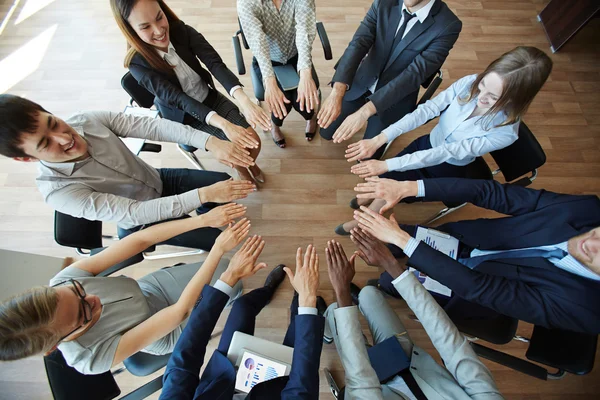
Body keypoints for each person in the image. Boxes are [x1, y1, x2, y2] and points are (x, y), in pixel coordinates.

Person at [335, 46, 553, 235]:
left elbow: (448, 152)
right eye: (484, 84)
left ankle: (361, 221)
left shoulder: (505, 133)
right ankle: (366, 202)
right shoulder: (470, 83)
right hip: (427, 143)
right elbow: (427, 110)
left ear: (516, 99)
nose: (480, 95)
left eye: (493, 97)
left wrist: (386, 163)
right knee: (387, 175)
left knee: (393, 184)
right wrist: (381, 138)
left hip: (447, 169)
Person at [0, 210, 251, 374]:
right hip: (166, 329)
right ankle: (230, 298)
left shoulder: (62, 280)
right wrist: (217, 249)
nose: (93, 297)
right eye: (85, 313)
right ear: (53, 347)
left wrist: (201, 221)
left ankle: (229, 296)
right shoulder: (89, 358)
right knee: (230, 282)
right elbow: (178, 313)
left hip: (150, 291)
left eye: (76, 290)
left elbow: (138, 241)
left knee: (226, 272)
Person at [0, 94, 257, 251]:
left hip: (157, 179)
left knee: (223, 183)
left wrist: (211, 142)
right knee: (215, 239)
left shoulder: (86, 120)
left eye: (54, 123)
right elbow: (135, 212)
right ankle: (206, 215)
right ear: (25, 158)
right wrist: (202, 195)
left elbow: (152, 127)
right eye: (46, 144)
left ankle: (207, 210)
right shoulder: (59, 192)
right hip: (144, 219)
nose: (65, 137)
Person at [352, 177, 600, 334]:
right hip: (466, 238)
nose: (592, 242)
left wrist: (401, 242)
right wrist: (409, 187)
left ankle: (389, 287)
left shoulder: (587, 310)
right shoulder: (586, 210)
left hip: (469, 292)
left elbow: (479, 288)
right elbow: (488, 192)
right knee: (388, 237)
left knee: (390, 279)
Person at [323, 239, 503, 399]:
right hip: (407, 361)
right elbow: (452, 346)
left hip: (372, 385)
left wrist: (342, 291)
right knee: (369, 294)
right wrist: (392, 265)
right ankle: (345, 310)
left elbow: (362, 382)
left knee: (334, 311)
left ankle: (327, 331)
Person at [111, 0, 269, 183]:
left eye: (159, 17)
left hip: (209, 97)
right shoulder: (137, 64)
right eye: (146, 27)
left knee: (253, 141)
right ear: (131, 31)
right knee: (232, 149)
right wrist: (225, 125)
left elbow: (214, 64)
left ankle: (249, 165)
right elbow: (179, 99)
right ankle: (244, 170)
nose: (159, 30)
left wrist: (244, 101)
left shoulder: (180, 30)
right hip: (185, 117)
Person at [159, 245, 325, 400]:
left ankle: (267, 291)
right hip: (278, 391)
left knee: (242, 306)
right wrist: (307, 303)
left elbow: (182, 363)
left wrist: (228, 278)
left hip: (222, 379)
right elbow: (302, 389)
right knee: (299, 331)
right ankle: (299, 299)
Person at [318, 0, 462, 157]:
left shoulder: (448, 25)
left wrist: (363, 112)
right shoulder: (383, 3)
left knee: (367, 157)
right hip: (362, 81)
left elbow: (413, 75)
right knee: (326, 132)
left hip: (395, 98)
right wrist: (337, 91)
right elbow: (359, 43)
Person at [238, 0, 320, 148]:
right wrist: (269, 81)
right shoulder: (246, 2)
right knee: (282, 102)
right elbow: (258, 41)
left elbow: (304, 29)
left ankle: (310, 118)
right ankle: (275, 126)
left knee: (302, 101)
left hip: (296, 57)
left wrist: (306, 73)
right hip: (268, 60)